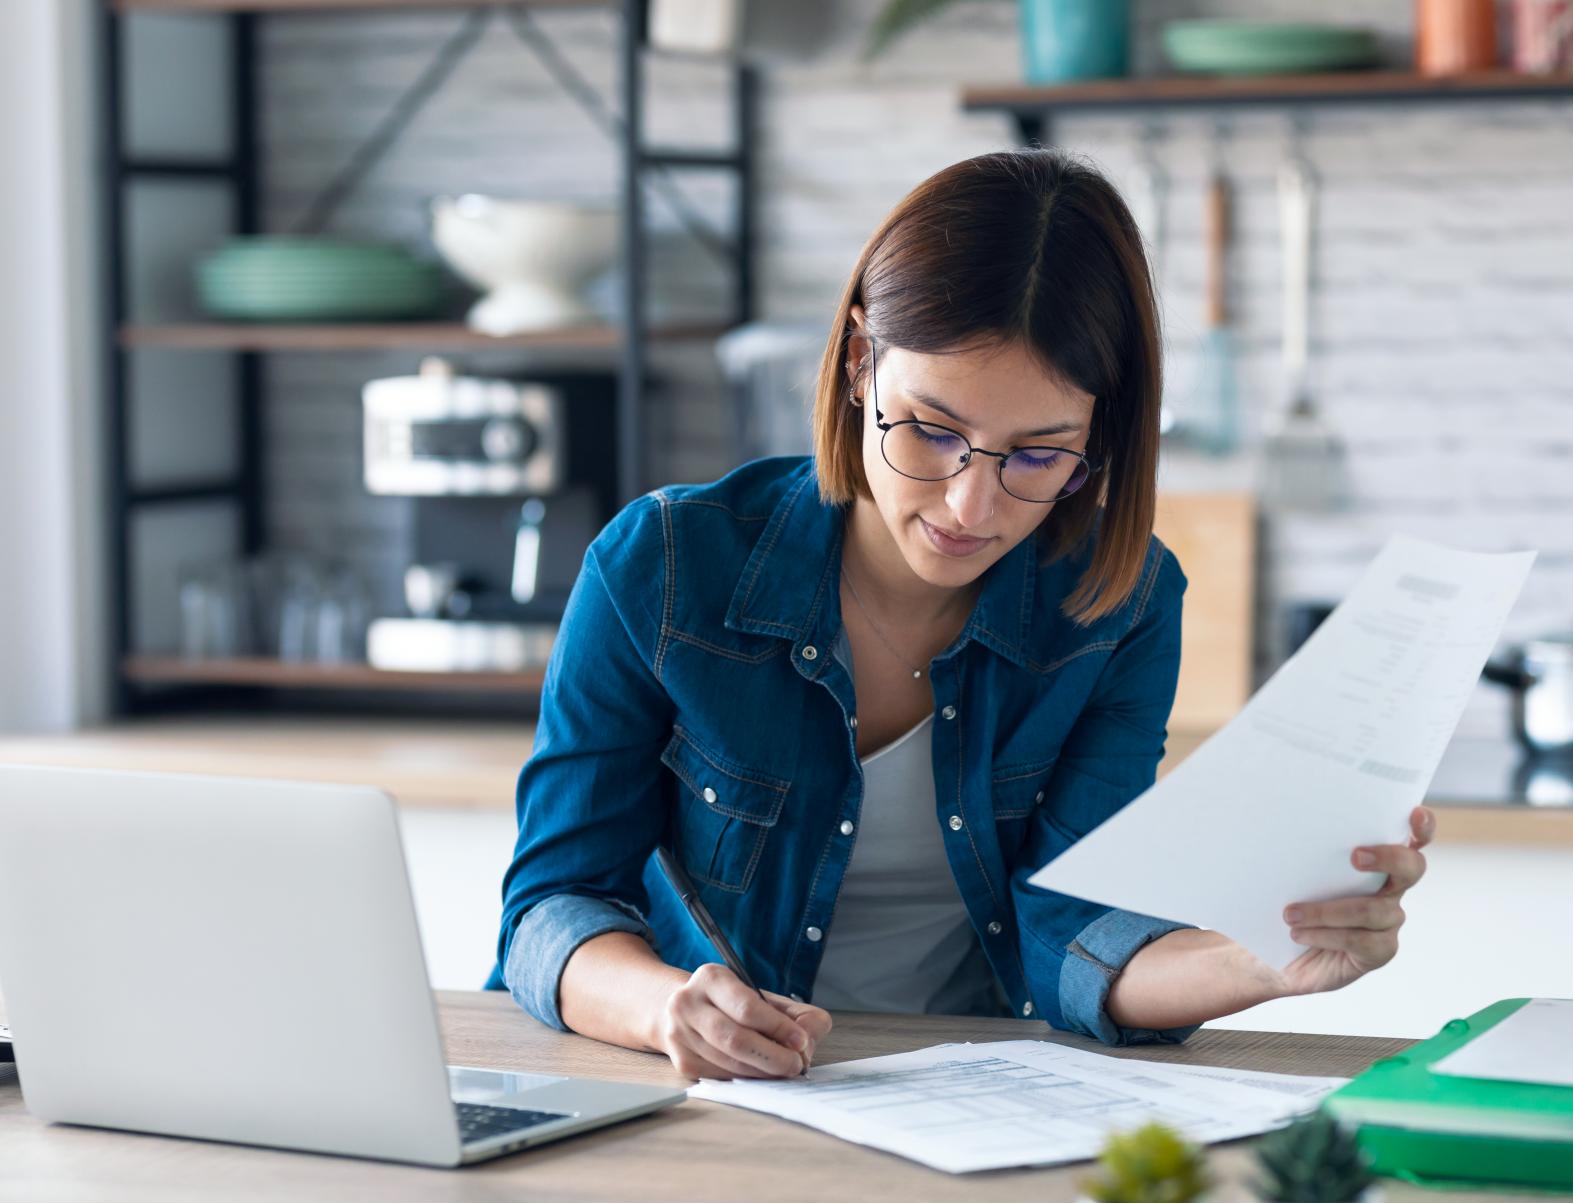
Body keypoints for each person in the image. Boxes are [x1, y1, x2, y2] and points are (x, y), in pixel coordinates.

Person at [493, 150, 1434, 1081]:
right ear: (861, 363)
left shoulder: (1122, 604)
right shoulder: (662, 565)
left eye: (1037, 455)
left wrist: (1264, 961)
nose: (969, 508)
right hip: (679, 1095)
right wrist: (666, 1009)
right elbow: (554, 903)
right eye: (934, 432)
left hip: (960, 1096)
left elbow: (1073, 931)